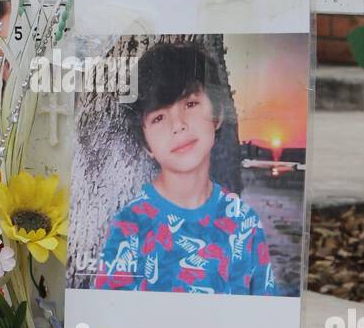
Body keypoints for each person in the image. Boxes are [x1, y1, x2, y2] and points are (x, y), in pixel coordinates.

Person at [95, 42, 275, 296]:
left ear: (218, 113)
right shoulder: (131, 225)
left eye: (190, 104)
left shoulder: (244, 222)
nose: (178, 125)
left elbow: (265, 314)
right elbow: (110, 316)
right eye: (158, 117)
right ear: (146, 144)